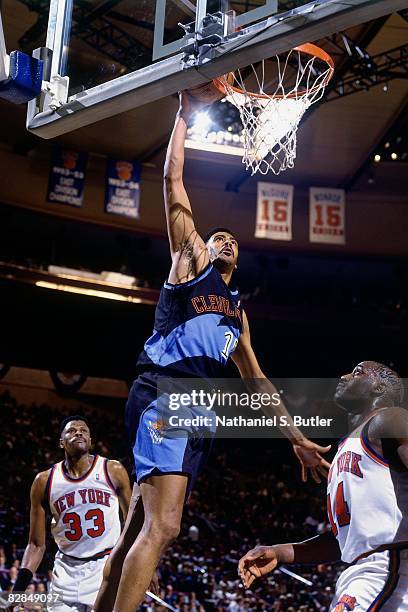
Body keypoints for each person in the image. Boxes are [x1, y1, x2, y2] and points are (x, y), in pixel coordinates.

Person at [94, 90, 331, 612]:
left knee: (138, 526)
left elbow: (258, 384)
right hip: (167, 393)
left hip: (199, 408)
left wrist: (295, 438)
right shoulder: (191, 265)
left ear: (240, 259)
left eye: (231, 241)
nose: (223, 241)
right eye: (216, 236)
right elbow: (172, 182)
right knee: (165, 527)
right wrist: (183, 114)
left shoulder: (237, 315)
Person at [238, 361, 408, 611]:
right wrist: (280, 552)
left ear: (379, 388)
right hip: (368, 569)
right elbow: (346, 541)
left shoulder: (390, 418)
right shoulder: (349, 447)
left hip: (390, 566)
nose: (344, 375)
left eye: (357, 372)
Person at [11, 415, 132, 611]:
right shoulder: (44, 482)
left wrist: (144, 565)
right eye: (71, 430)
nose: (78, 432)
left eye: (83, 430)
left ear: (91, 441)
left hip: (106, 566)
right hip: (65, 571)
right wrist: (18, 591)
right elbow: (35, 544)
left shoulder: (113, 470)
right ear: (61, 442)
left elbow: (132, 522)